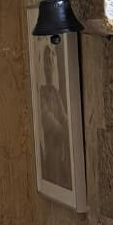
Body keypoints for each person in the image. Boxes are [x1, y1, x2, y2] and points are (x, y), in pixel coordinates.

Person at [37, 42, 72, 190]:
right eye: (47, 61)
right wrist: (60, 129)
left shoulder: (56, 92)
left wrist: (69, 127)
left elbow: (63, 115)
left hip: (60, 143)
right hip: (51, 144)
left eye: (52, 60)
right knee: (55, 175)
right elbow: (45, 115)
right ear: (44, 66)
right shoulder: (42, 92)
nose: (50, 65)